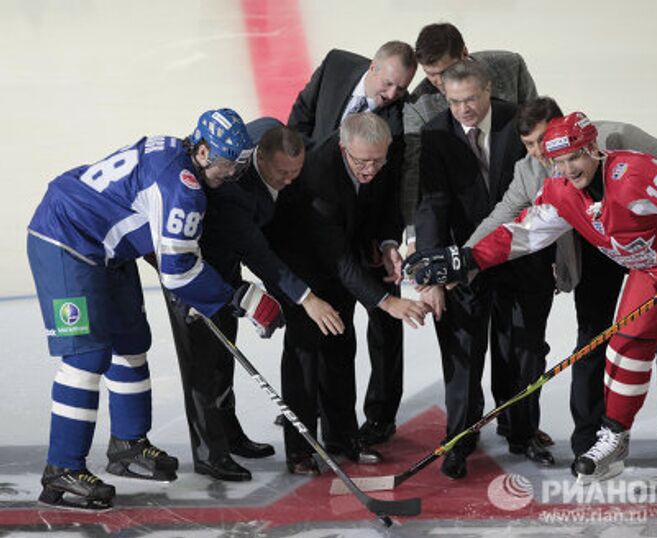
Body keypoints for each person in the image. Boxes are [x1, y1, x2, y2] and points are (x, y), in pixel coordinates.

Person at [405, 111, 657, 514]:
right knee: (624, 347)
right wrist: (468, 259)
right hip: (656, 267)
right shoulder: (560, 191)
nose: (570, 169)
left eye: (576, 157)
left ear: (594, 150)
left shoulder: (632, 172)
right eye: (559, 162)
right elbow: (521, 234)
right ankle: (614, 439)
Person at [26, 108, 285, 509]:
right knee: (87, 357)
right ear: (201, 151)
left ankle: (128, 445)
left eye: (236, 166)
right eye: (224, 166)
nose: (231, 175)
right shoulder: (185, 187)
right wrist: (246, 299)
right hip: (66, 238)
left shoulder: (176, 152)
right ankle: (62, 468)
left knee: (131, 342)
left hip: (106, 249)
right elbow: (179, 273)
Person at [465, 97, 657, 473]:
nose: (540, 153)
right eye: (529, 145)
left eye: (543, 140)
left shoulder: (617, 138)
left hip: (656, 249)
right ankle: (588, 442)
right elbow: (505, 218)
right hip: (598, 252)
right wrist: (462, 259)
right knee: (592, 340)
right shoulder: (529, 170)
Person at [163, 120, 345, 481]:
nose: (289, 179)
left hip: (225, 266)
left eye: (296, 171)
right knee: (202, 364)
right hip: (190, 272)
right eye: (281, 172)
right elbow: (259, 255)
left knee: (224, 354)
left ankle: (229, 435)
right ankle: (209, 453)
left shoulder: (274, 138)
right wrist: (307, 299)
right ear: (260, 157)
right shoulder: (235, 192)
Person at [267, 113, 429, 475]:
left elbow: (386, 205)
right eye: (361, 162)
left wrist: (388, 243)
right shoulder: (318, 174)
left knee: (341, 346)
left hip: (344, 255)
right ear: (343, 148)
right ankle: (301, 450)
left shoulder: (378, 156)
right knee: (305, 354)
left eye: (377, 161)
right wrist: (388, 302)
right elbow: (335, 257)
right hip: (302, 265)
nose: (370, 170)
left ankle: (341, 438)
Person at [415, 60, 554, 479]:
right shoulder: (435, 132)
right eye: (455, 102)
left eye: (471, 99)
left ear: (488, 90)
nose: (464, 110)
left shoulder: (518, 122)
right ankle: (459, 437)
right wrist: (432, 272)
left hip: (522, 259)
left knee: (524, 353)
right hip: (464, 263)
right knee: (462, 358)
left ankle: (522, 431)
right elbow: (431, 205)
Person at [287, 41, 417, 445]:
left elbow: (390, 191)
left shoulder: (393, 126)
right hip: (311, 234)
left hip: (362, 231)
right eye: (390, 84)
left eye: (403, 88)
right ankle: (303, 436)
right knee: (311, 345)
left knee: (349, 341)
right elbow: (300, 118)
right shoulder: (336, 66)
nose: (394, 95)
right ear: (374, 68)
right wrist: (388, 301)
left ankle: (353, 430)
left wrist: (388, 241)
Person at [402, 22, 538, 249]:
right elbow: (415, 173)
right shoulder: (419, 105)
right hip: (466, 212)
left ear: (464, 53)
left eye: (444, 72)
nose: (440, 82)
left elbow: (537, 125)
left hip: (523, 207)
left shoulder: (509, 66)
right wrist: (415, 235)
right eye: (430, 74)